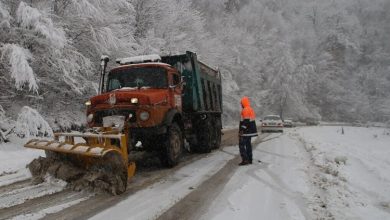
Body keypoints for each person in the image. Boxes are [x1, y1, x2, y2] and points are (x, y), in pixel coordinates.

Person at [238, 96, 258, 165]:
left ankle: (245, 160)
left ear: (244, 103)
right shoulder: (250, 109)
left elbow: (246, 121)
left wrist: (242, 130)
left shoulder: (245, 110)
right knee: (248, 145)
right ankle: (250, 159)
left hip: (246, 132)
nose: (241, 105)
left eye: (241, 103)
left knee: (242, 145)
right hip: (250, 132)